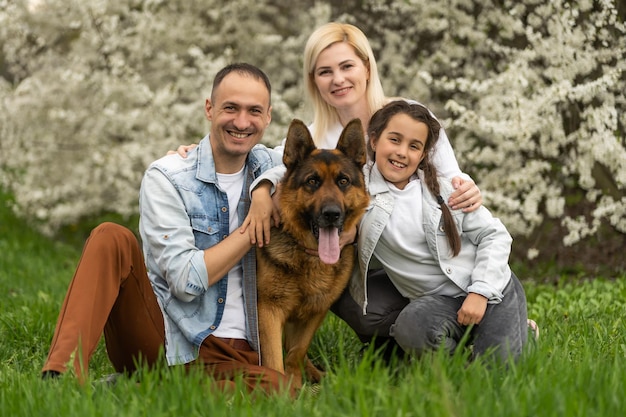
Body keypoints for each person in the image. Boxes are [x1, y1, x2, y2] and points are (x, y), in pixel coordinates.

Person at [173, 22, 483, 357]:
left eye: (347, 66)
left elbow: (452, 185)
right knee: (346, 294)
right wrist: (226, 169)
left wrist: (468, 191)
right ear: (314, 80)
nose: (338, 79)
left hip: (433, 256)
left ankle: (487, 312)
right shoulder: (317, 132)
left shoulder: (406, 118)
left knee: (469, 304)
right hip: (380, 263)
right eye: (325, 71)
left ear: (366, 66)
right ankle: (398, 347)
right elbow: (270, 162)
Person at [41, 63, 296, 396]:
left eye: (254, 111)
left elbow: (314, 157)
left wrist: (264, 188)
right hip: (166, 337)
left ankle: (147, 390)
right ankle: (60, 377)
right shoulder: (169, 176)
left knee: (282, 388)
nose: (241, 122)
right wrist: (251, 229)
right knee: (110, 236)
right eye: (230, 108)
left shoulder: (276, 170)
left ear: (268, 117)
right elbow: (185, 281)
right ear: (209, 108)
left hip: (239, 354)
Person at [350, 100, 529, 361]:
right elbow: (297, 165)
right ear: (374, 141)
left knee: (498, 376)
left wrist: (479, 292)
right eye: (394, 140)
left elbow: (495, 235)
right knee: (410, 326)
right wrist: (266, 186)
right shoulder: (357, 191)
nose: (402, 152)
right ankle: (461, 364)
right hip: (437, 305)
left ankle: (523, 335)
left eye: (414, 146)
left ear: (423, 155)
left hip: (492, 291)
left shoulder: (444, 191)